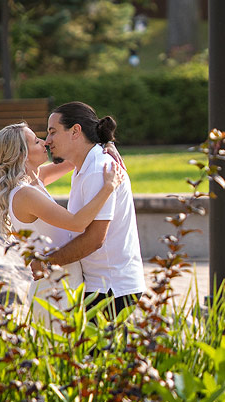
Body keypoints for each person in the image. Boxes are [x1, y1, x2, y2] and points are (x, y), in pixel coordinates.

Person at [0, 122, 122, 319]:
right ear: (22, 155)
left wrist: (104, 145)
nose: (44, 142)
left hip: (65, 283)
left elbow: (76, 158)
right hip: (53, 291)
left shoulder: (34, 179)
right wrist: (108, 188)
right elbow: (78, 223)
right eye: (36, 141)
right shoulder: (25, 194)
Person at [40, 102, 146, 315]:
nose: (47, 141)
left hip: (111, 289)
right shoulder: (84, 165)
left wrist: (46, 263)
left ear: (75, 131)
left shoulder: (99, 169)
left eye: (53, 132)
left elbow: (95, 238)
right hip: (100, 286)